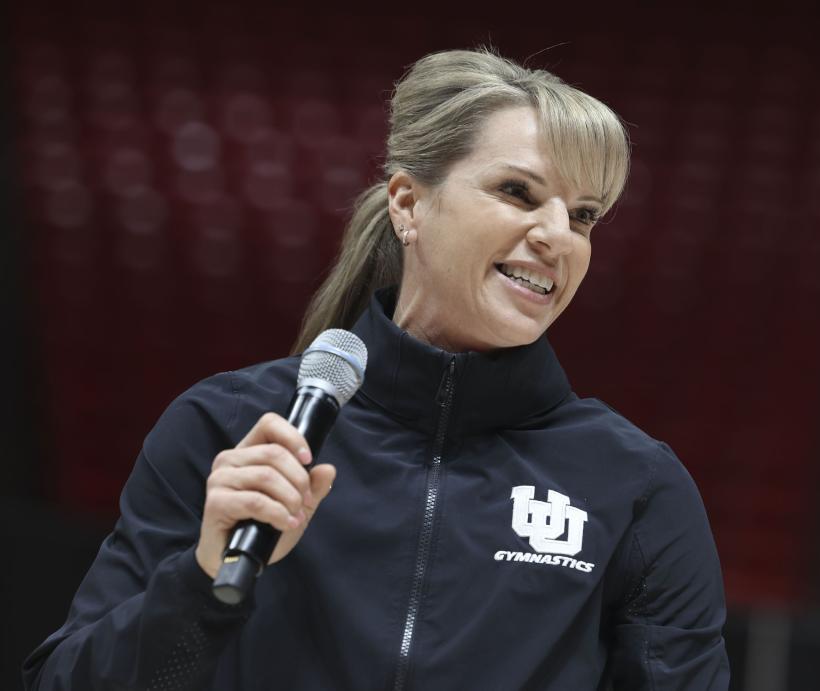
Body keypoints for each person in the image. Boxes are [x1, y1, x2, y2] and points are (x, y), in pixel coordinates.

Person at [23, 48, 729, 690]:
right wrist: (203, 578)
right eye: (517, 192)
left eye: (582, 216)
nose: (555, 237)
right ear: (408, 203)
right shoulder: (229, 427)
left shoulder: (637, 487)